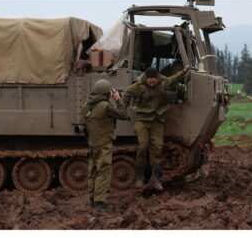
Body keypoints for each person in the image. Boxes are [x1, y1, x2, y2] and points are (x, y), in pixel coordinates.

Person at [122, 65, 190, 191]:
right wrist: (121, 106)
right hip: (142, 120)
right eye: (150, 82)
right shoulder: (138, 87)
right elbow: (126, 94)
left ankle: (156, 178)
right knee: (142, 146)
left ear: (157, 78)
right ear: (146, 79)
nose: (152, 85)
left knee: (157, 148)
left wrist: (184, 71)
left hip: (157, 120)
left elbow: (174, 79)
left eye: (154, 82)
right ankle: (140, 177)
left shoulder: (163, 83)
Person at [81, 79, 128, 214]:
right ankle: (99, 205)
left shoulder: (85, 106)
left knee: (93, 173)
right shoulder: (105, 106)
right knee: (103, 173)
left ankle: (92, 200)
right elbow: (123, 115)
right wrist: (118, 99)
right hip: (104, 145)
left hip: (92, 144)